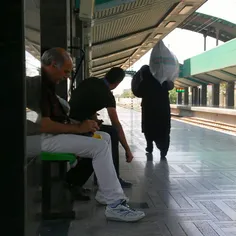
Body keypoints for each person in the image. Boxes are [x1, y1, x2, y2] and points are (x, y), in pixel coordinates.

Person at [39, 47, 145, 222]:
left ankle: (106, 192)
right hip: (39, 139)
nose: (66, 76)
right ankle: (115, 205)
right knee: (99, 146)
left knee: (105, 137)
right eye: (65, 71)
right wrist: (79, 128)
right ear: (52, 65)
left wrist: (80, 125)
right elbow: (43, 124)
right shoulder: (38, 87)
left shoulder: (51, 84)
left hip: (52, 134)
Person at [69, 67, 134, 187]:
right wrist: (127, 149)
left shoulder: (90, 81)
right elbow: (116, 124)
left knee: (107, 132)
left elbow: (87, 104)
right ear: (117, 83)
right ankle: (114, 178)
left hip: (67, 119)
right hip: (77, 126)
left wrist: (95, 120)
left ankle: (99, 177)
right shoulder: (108, 96)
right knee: (113, 133)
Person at [132, 65, 173, 159]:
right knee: (164, 129)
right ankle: (163, 149)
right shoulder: (163, 75)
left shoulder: (144, 75)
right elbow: (171, 86)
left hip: (148, 107)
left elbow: (138, 92)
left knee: (148, 128)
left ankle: (149, 146)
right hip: (163, 107)